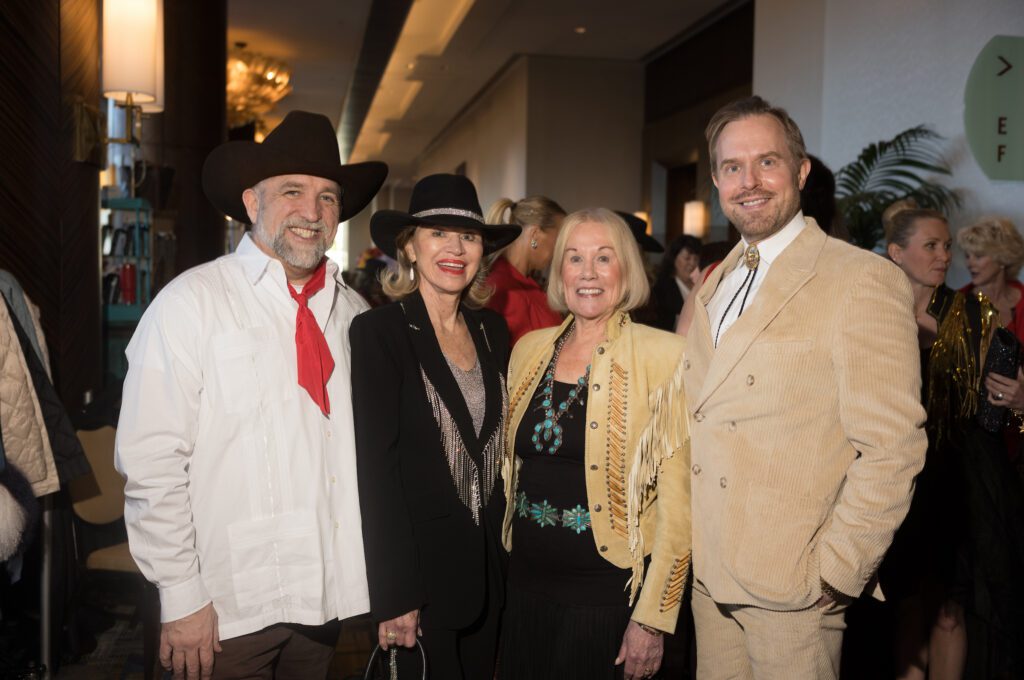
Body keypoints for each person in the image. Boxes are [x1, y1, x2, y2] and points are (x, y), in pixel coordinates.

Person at [115, 110, 388, 679]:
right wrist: (182, 593)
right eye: (292, 191)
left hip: (323, 604)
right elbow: (151, 462)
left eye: (328, 198)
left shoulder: (355, 316)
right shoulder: (191, 304)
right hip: (224, 612)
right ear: (251, 202)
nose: (312, 213)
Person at [683, 96, 927, 679]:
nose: (749, 182)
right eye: (732, 167)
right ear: (717, 180)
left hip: (794, 593)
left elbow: (893, 447)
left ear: (800, 170)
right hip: (711, 582)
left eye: (766, 162)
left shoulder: (859, 279)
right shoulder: (715, 282)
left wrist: (837, 573)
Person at [499, 207, 691, 680]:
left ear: (626, 269)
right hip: (523, 586)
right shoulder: (528, 349)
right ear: (558, 271)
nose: (587, 273)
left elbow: (680, 508)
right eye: (574, 258)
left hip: (605, 598)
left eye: (603, 258)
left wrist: (652, 620)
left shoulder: (665, 356)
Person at [351, 174, 520, 679]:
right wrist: (395, 594)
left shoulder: (493, 330)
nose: (455, 248)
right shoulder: (380, 332)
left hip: (493, 571)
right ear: (410, 248)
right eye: (438, 234)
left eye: (468, 237)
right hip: (421, 586)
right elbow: (376, 472)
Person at [957, 217, 1024, 463]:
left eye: (979, 255)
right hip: (971, 442)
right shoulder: (957, 307)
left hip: (1019, 433)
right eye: (968, 255)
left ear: (1003, 258)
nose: (970, 263)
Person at [485, 195, 566, 345]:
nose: (561, 249)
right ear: (535, 235)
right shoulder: (504, 291)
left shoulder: (527, 284)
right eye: (559, 239)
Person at [651, 234, 702, 331]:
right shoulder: (662, 289)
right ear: (673, 258)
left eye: (696, 259)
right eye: (687, 258)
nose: (692, 263)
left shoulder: (700, 285)